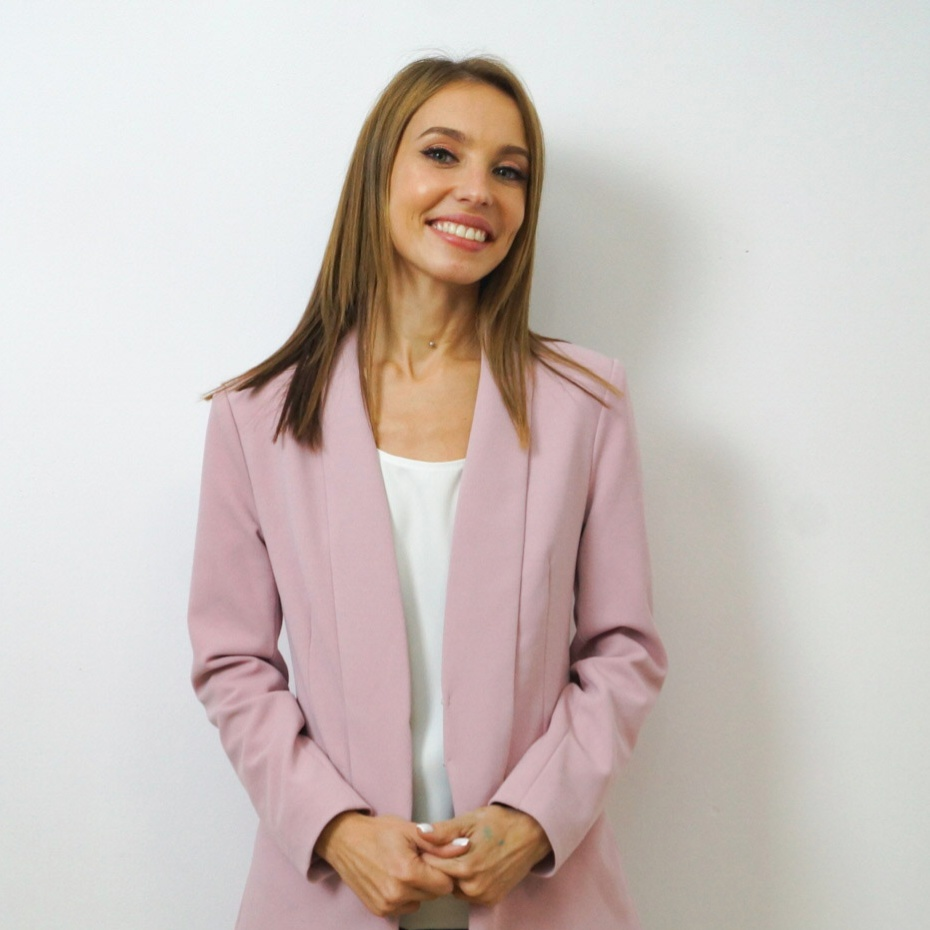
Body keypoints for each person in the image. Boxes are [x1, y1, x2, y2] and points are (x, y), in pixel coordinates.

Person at [188, 55, 667, 930]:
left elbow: (622, 648)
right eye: (442, 154)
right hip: (328, 895)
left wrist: (534, 818)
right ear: (380, 173)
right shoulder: (255, 419)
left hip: (539, 894)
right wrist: (334, 828)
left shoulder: (585, 404)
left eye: (509, 171)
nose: (477, 190)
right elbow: (233, 663)